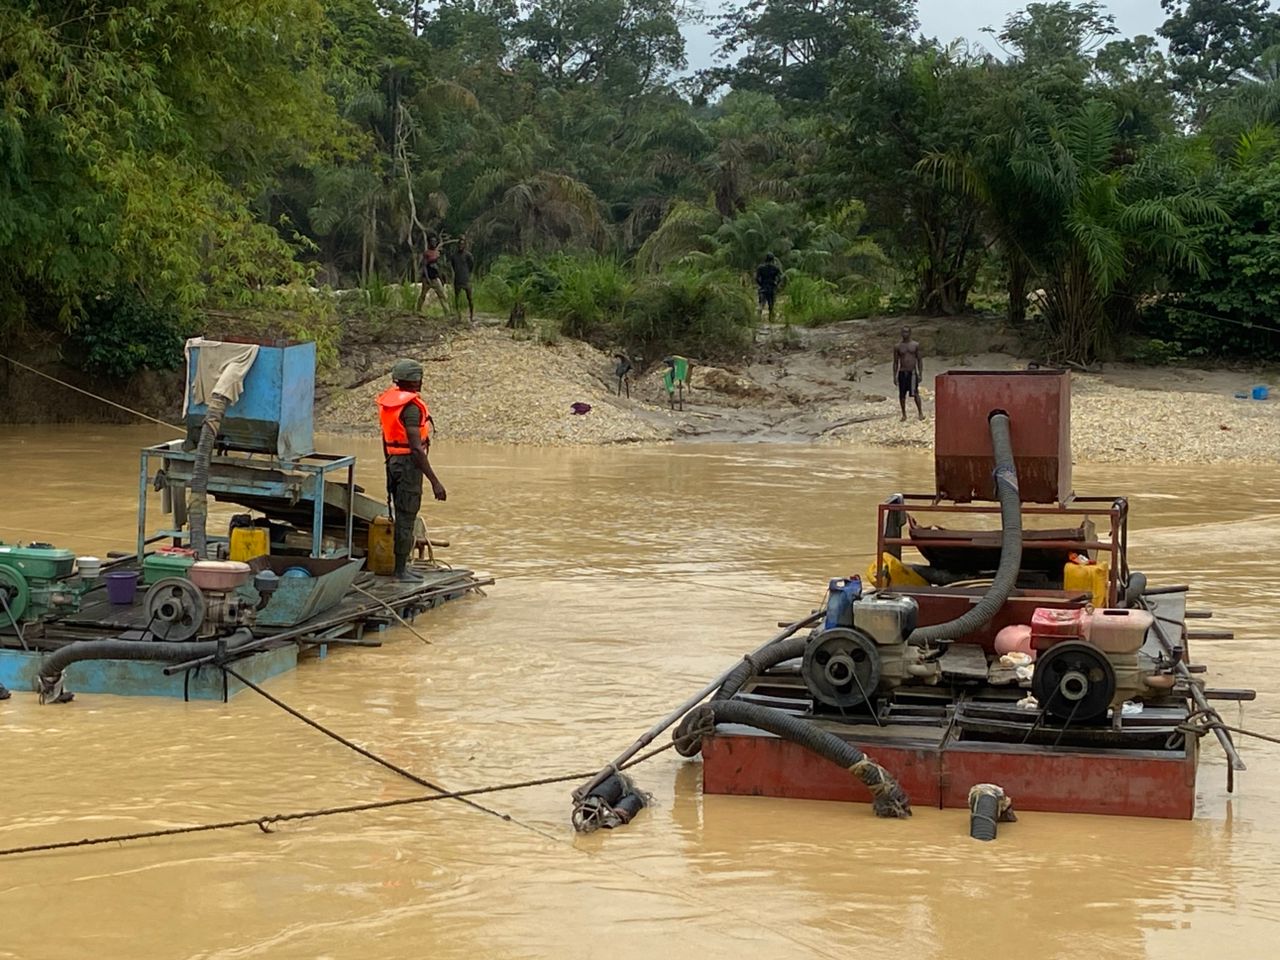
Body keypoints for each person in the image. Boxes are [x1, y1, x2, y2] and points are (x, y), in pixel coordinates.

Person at [376, 359, 446, 582]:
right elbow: (416, 449)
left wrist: (388, 463)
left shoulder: (390, 404)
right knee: (407, 515)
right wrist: (435, 481)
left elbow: (386, 438)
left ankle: (401, 566)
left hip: (393, 461)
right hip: (408, 466)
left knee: (401, 513)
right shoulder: (412, 409)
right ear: (417, 381)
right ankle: (400, 571)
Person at [893, 326, 925, 421]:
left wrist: (920, 373)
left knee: (915, 393)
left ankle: (920, 413)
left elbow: (919, 360)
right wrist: (894, 376)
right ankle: (904, 414)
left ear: (910, 333)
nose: (905, 334)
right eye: (903, 332)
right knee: (902, 395)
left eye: (906, 332)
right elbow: (895, 362)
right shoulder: (898, 346)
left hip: (913, 372)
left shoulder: (915, 345)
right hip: (902, 372)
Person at [416, 233, 449, 314]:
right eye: (432, 242)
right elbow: (424, 266)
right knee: (423, 295)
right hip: (427, 278)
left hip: (435, 277)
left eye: (434, 242)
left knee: (442, 295)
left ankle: (447, 312)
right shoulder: (426, 253)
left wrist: (442, 278)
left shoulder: (437, 253)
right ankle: (418, 310)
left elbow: (439, 267)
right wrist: (427, 278)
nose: (433, 243)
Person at [448, 235, 475, 322]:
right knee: (457, 299)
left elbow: (471, 265)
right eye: (459, 244)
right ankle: (458, 315)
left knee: (470, 298)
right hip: (457, 279)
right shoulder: (454, 256)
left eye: (462, 244)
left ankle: (471, 315)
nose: (460, 246)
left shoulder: (468, 255)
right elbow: (452, 265)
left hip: (466, 279)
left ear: (465, 245)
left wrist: (468, 273)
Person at [755, 253, 783, 322]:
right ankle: (771, 319)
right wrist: (776, 284)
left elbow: (756, 278)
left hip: (763, 287)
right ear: (773, 259)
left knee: (761, 303)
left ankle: (758, 318)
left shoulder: (761, 268)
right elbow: (780, 278)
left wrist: (760, 284)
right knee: (771, 304)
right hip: (772, 287)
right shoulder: (775, 268)